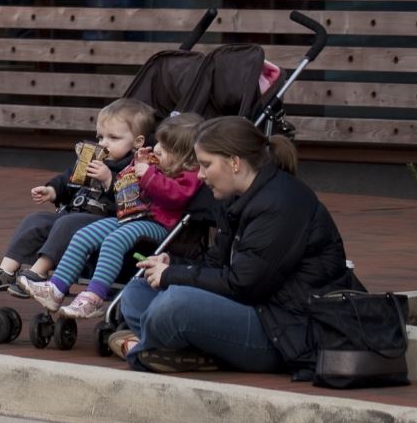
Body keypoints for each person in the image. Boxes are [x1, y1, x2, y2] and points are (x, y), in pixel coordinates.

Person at [110, 116, 357, 376]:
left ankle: (139, 348)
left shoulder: (281, 203)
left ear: (234, 162)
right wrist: (172, 266)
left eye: (205, 165)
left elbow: (244, 285)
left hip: (284, 332)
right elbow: (216, 265)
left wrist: (173, 276)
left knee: (175, 304)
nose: (201, 175)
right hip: (255, 309)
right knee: (137, 291)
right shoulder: (236, 198)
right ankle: (182, 350)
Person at [0, 97, 157, 297]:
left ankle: (38, 273)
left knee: (67, 223)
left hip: (105, 221)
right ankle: (6, 271)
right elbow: (69, 178)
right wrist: (52, 191)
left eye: (113, 138)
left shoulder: (135, 166)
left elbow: (134, 200)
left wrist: (108, 180)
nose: (104, 144)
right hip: (73, 214)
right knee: (35, 220)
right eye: (100, 137)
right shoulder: (94, 158)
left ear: (137, 142)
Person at [30, 112, 203, 321]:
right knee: (84, 235)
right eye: (158, 142)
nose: (157, 149)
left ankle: (94, 297)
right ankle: (56, 288)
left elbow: (176, 196)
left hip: (159, 224)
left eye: (164, 148)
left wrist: (148, 174)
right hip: (135, 216)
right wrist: (135, 165)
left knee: (114, 241)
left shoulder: (190, 175)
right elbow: (124, 181)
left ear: (185, 156)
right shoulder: (160, 165)